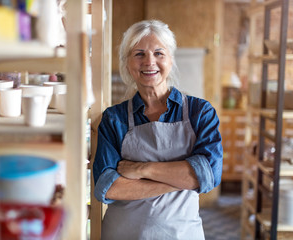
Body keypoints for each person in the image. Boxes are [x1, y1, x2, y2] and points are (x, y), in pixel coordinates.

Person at [93, 19, 223, 240]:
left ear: (171, 60)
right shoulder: (113, 119)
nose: (149, 62)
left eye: (159, 53)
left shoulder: (200, 112)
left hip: (182, 234)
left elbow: (208, 175)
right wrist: (182, 179)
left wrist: (143, 170)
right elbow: (108, 188)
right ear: (127, 63)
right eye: (139, 54)